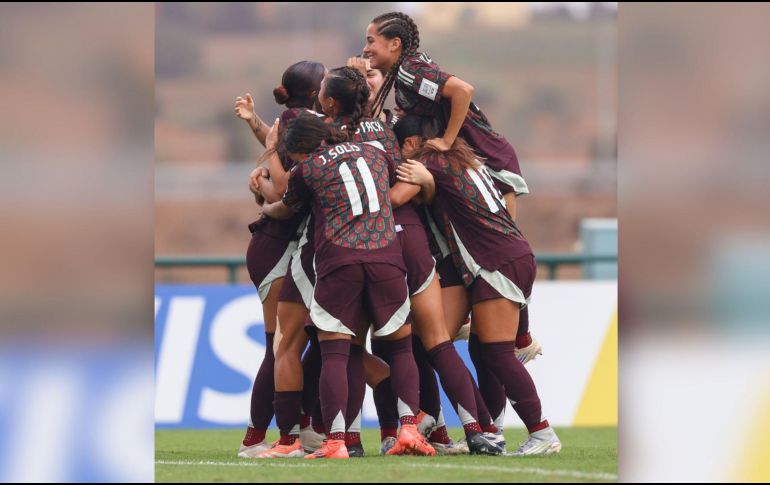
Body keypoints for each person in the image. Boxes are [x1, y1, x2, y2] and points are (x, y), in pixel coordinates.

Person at [262, 113, 436, 459]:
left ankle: (337, 441)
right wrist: (427, 183)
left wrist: (266, 206)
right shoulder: (374, 152)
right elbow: (401, 186)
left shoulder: (307, 169)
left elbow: (286, 207)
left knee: (335, 354)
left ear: (300, 150)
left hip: (339, 261)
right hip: (387, 256)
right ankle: (409, 430)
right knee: (401, 349)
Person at [393, 114, 562, 456]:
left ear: (411, 143)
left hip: (496, 261)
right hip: (503, 257)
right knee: (454, 345)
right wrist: (429, 186)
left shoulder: (428, 160)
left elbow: (397, 197)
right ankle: (488, 431)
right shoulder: (462, 158)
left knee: (497, 354)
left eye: (400, 150)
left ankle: (542, 433)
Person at [231, 60, 325, 458]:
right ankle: (255, 438)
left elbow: (278, 150)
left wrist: (255, 126)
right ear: (317, 91)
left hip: (289, 244)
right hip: (277, 245)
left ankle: (303, 424)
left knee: (312, 340)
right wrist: (269, 186)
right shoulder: (303, 122)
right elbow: (287, 188)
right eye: (326, 80)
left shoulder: (296, 120)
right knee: (280, 344)